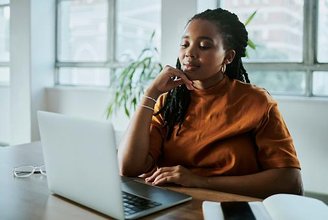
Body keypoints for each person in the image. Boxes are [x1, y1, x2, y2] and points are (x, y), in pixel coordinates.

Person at [118, 8, 303, 199]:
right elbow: (129, 168)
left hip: (231, 208)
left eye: (204, 46)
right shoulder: (169, 101)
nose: (189, 53)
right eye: (185, 44)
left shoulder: (257, 102)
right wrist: (151, 93)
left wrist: (199, 181)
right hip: (175, 205)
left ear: (228, 57)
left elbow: (290, 181)